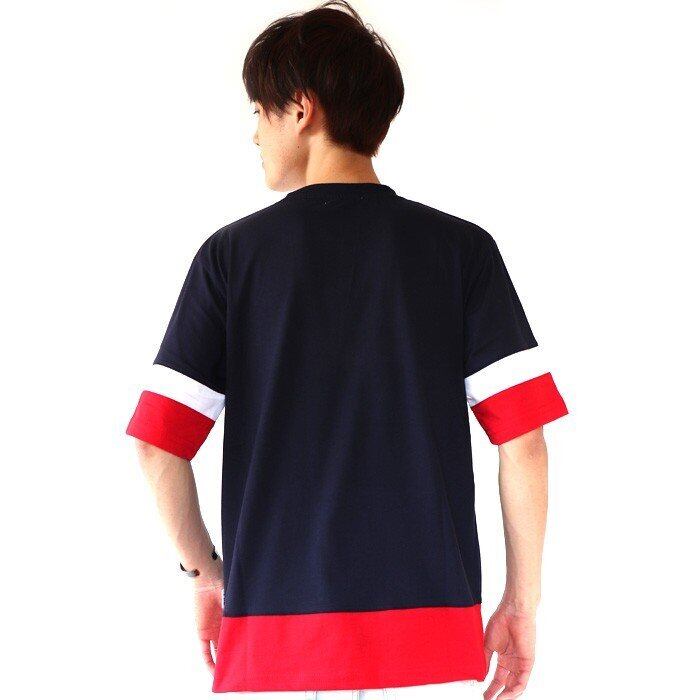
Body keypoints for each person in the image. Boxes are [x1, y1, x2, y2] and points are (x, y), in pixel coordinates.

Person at [124, 2, 568, 699]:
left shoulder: (231, 259)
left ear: (300, 109)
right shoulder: (461, 252)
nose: (254, 133)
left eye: (258, 112)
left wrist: (206, 574)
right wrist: (521, 603)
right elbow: (524, 441)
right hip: (430, 643)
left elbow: (158, 443)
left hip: (276, 642)